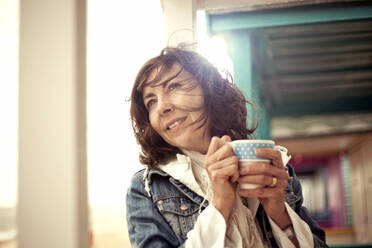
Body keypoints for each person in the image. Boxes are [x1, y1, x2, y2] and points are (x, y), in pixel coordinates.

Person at [126, 46, 327, 248]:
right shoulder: (147, 188)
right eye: (151, 101)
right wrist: (220, 205)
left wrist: (280, 214)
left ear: (208, 88)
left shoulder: (276, 171)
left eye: (173, 86)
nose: (161, 107)